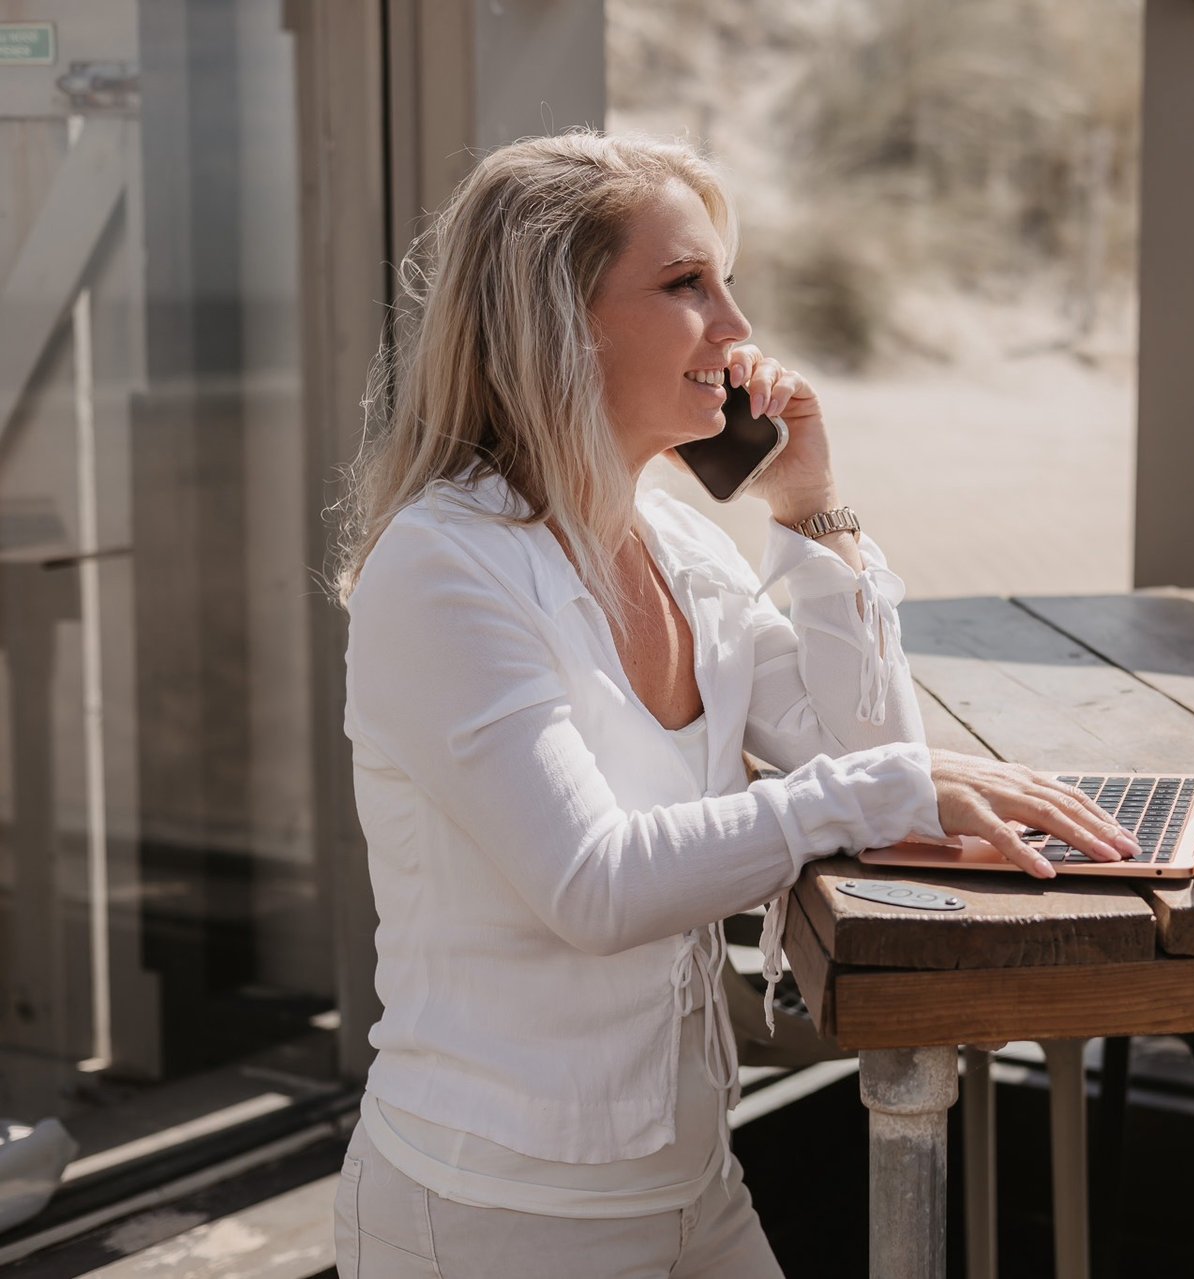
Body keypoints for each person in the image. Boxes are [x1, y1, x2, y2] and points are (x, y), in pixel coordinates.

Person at [326, 131, 1142, 1278]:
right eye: (685, 285)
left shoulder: (674, 543)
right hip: (495, 1214)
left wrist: (811, 510)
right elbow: (594, 885)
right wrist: (877, 789)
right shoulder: (445, 568)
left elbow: (869, 755)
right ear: (556, 321)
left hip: (693, 1180)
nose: (737, 330)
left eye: (725, 282)